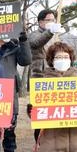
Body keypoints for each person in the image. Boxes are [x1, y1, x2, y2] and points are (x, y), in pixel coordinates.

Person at [0, 33, 31, 152]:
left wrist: (23, 40)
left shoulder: (14, 46)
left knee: (10, 127)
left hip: (9, 91)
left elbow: (26, 60)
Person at [28, 9, 64, 142]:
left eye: (53, 20)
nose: (52, 22)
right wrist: (50, 32)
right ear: (40, 22)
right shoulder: (34, 34)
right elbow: (35, 43)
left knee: (54, 111)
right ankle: (39, 141)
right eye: (49, 20)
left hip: (55, 76)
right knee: (40, 112)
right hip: (40, 77)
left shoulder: (56, 35)